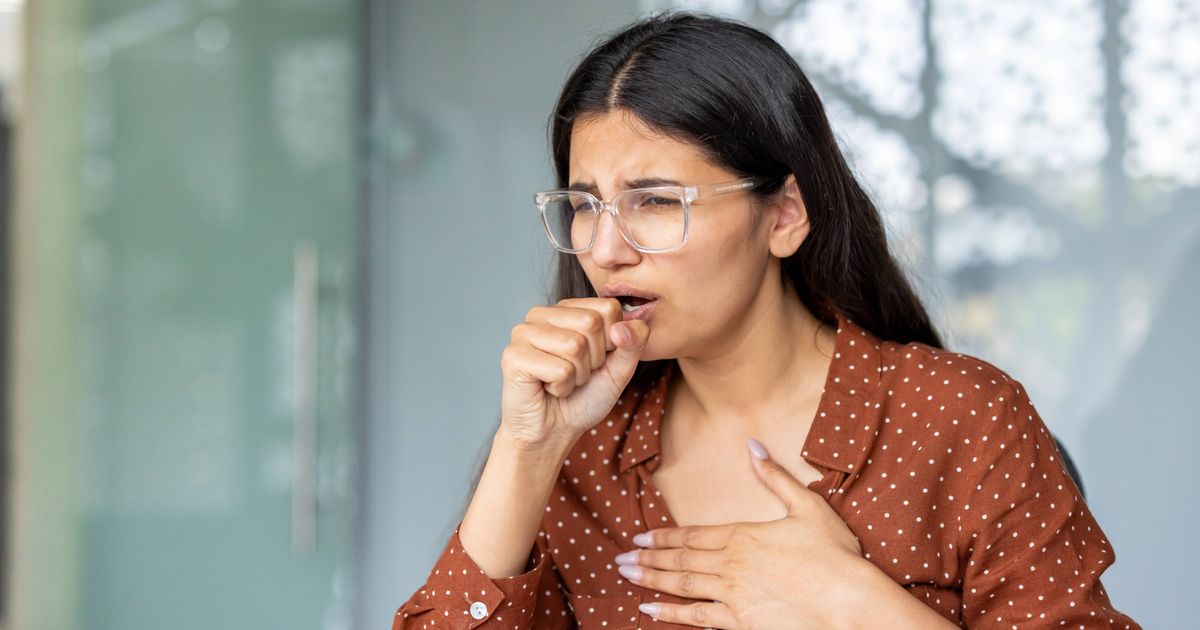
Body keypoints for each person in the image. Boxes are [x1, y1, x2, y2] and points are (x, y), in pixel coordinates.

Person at [394, 11, 1139, 629]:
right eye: (585, 205)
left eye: (657, 201)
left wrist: (851, 604)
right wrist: (528, 449)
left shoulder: (960, 418)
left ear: (783, 216)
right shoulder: (579, 450)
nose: (606, 249)